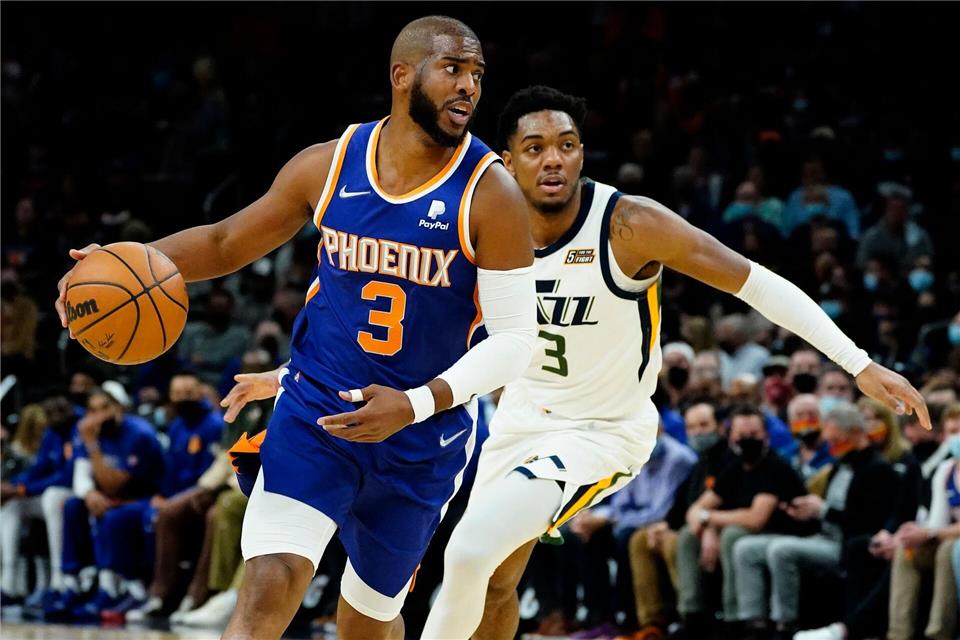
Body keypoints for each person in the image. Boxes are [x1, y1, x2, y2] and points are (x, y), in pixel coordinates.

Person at [218, 85, 929, 640]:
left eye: (566, 145)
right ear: (506, 159)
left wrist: (858, 361)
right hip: (518, 418)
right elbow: (415, 334)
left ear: (583, 154)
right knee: (495, 581)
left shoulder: (628, 224)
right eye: (534, 148)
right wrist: (290, 378)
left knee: (468, 554)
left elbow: (752, 279)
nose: (552, 159)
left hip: (602, 428)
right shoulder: (479, 225)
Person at [54, 15, 537, 640]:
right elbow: (226, 241)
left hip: (421, 440)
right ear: (402, 76)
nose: (469, 86)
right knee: (268, 586)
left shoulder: (491, 191)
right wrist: (124, 263)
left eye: (477, 74)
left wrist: (416, 405)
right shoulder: (327, 167)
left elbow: (515, 340)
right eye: (453, 69)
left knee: (366, 624)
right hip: (315, 414)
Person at [675, 405, 808, 637]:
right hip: (750, 531)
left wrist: (709, 519)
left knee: (732, 535)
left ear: (766, 436)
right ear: (730, 436)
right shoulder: (735, 467)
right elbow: (695, 510)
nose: (747, 440)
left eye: (753, 435)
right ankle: (692, 615)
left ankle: (735, 617)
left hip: (784, 532)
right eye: (741, 435)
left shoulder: (776, 466)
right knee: (688, 535)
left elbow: (756, 518)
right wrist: (707, 529)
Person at [45, 384, 165, 621]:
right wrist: (89, 493)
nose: (98, 416)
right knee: (72, 505)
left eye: (104, 408)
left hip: (146, 498)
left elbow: (114, 486)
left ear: (118, 408)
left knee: (111, 515)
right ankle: (73, 583)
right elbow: (80, 475)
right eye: (92, 410)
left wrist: (91, 445)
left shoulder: (138, 434)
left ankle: (115, 587)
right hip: (112, 499)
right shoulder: (90, 432)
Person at [0, 396, 77, 604]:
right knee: (10, 504)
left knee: (53, 498)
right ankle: (7, 584)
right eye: (50, 410)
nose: (55, 413)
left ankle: (59, 581)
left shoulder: (78, 429)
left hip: (75, 494)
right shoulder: (51, 432)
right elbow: (39, 468)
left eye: (59, 408)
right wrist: (15, 486)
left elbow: (67, 476)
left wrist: (23, 488)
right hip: (46, 494)